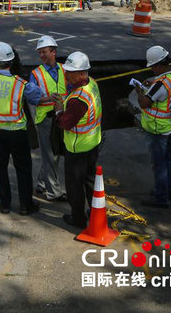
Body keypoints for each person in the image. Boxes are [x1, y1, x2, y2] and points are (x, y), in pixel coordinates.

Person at [0, 42, 45, 215]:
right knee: (23, 169)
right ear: (11, 63)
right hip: (17, 133)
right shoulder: (20, 83)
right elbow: (36, 96)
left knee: (0, 167)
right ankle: (26, 205)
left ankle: (5, 204)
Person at [53, 51, 102, 229]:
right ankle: (96, 211)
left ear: (82, 74)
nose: (65, 75)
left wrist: (59, 109)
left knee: (75, 186)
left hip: (77, 148)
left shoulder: (78, 99)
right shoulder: (92, 84)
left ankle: (78, 218)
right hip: (93, 143)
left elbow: (65, 123)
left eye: (70, 72)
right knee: (90, 181)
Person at [134, 46, 171, 208]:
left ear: (159, 65)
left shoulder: (160, 85)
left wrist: (139, 90)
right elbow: (162, 85)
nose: (152, 70)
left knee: (159, 164)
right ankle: (166, 191)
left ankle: (161, 198)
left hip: (157, 130)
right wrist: (153, 82)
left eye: (153, 67)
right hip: (170, 126)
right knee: (167, 161)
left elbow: (144, 103)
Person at [30, 36, 67, 202]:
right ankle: (54, 192)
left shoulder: (64, 69)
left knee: (52, 154)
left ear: (54, 52)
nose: (42, 56)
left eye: (44, 52)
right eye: (40, 53)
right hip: (45, 119)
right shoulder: (36, 74)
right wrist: (47, 99)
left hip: (61, 117)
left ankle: (41, 184)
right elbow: (32, 99)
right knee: (50, 155)